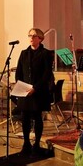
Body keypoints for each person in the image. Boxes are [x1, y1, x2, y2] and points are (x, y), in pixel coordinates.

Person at [15, 28, 54, 156]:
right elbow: (19, 72)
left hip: (38, 91)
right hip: (25, 91)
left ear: (40, 38)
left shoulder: (46, 53)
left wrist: (35, 88)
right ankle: (26, 144)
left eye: (34, 36)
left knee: (37, 117)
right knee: (25, 118)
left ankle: (36, 144)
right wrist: (20, 86)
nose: (31, 38)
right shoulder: (24, 53)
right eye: (29, 36)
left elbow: (47, 74)